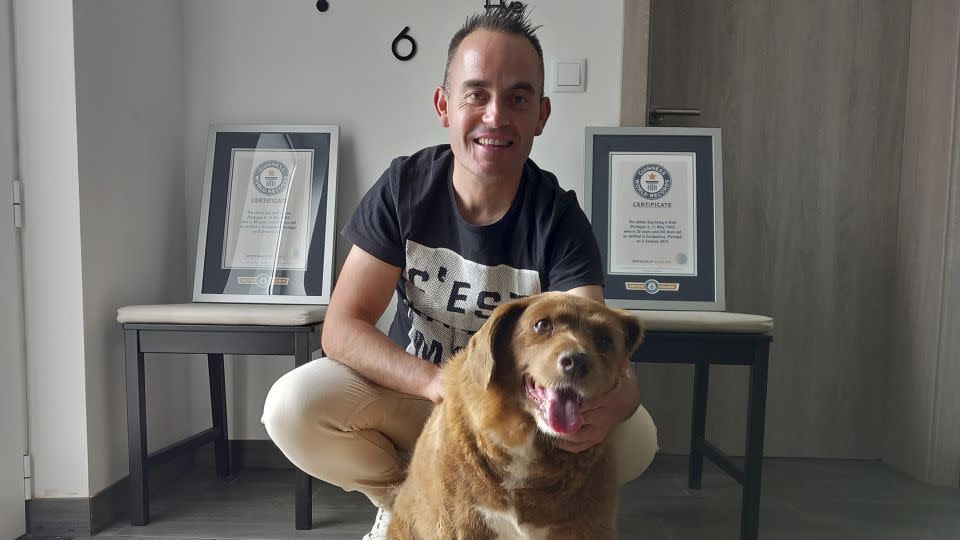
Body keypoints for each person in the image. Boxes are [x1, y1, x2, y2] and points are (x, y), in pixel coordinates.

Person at [261, 6, 657, 539]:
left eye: (517, 98)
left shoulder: (559, 219)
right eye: (476, 94)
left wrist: (618, 405)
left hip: (510, 407)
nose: (496, 116)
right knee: (293, 406)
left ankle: (521, 518)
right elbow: (342, 327)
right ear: (445, 106)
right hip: (421, 394)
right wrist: (436, 383)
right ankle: (407, 500)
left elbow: (599, 349)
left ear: (540, 115)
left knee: (635, 437)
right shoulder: (404, 188)